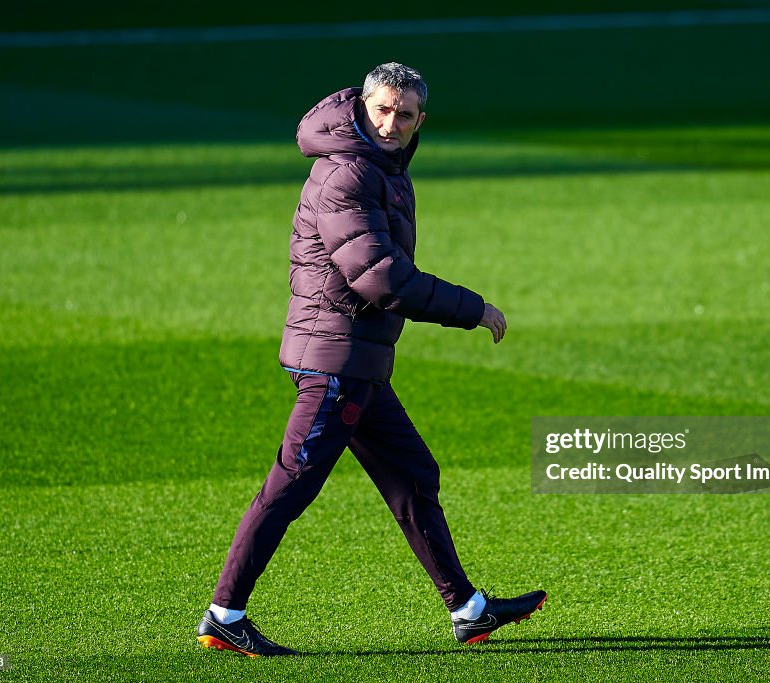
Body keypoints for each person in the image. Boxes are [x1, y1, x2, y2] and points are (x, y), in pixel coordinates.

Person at [196, 62, 546, 657]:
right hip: (335, 362)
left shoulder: (379, 168)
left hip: (354, 360)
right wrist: (473, 309)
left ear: (420, 122)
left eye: (404, 115)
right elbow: (380, 278)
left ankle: (467, 609)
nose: (391, 123)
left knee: (412, 474)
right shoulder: (347, 175)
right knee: (291, 486)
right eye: (381, 109)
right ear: (361, 105)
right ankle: (224, 615)